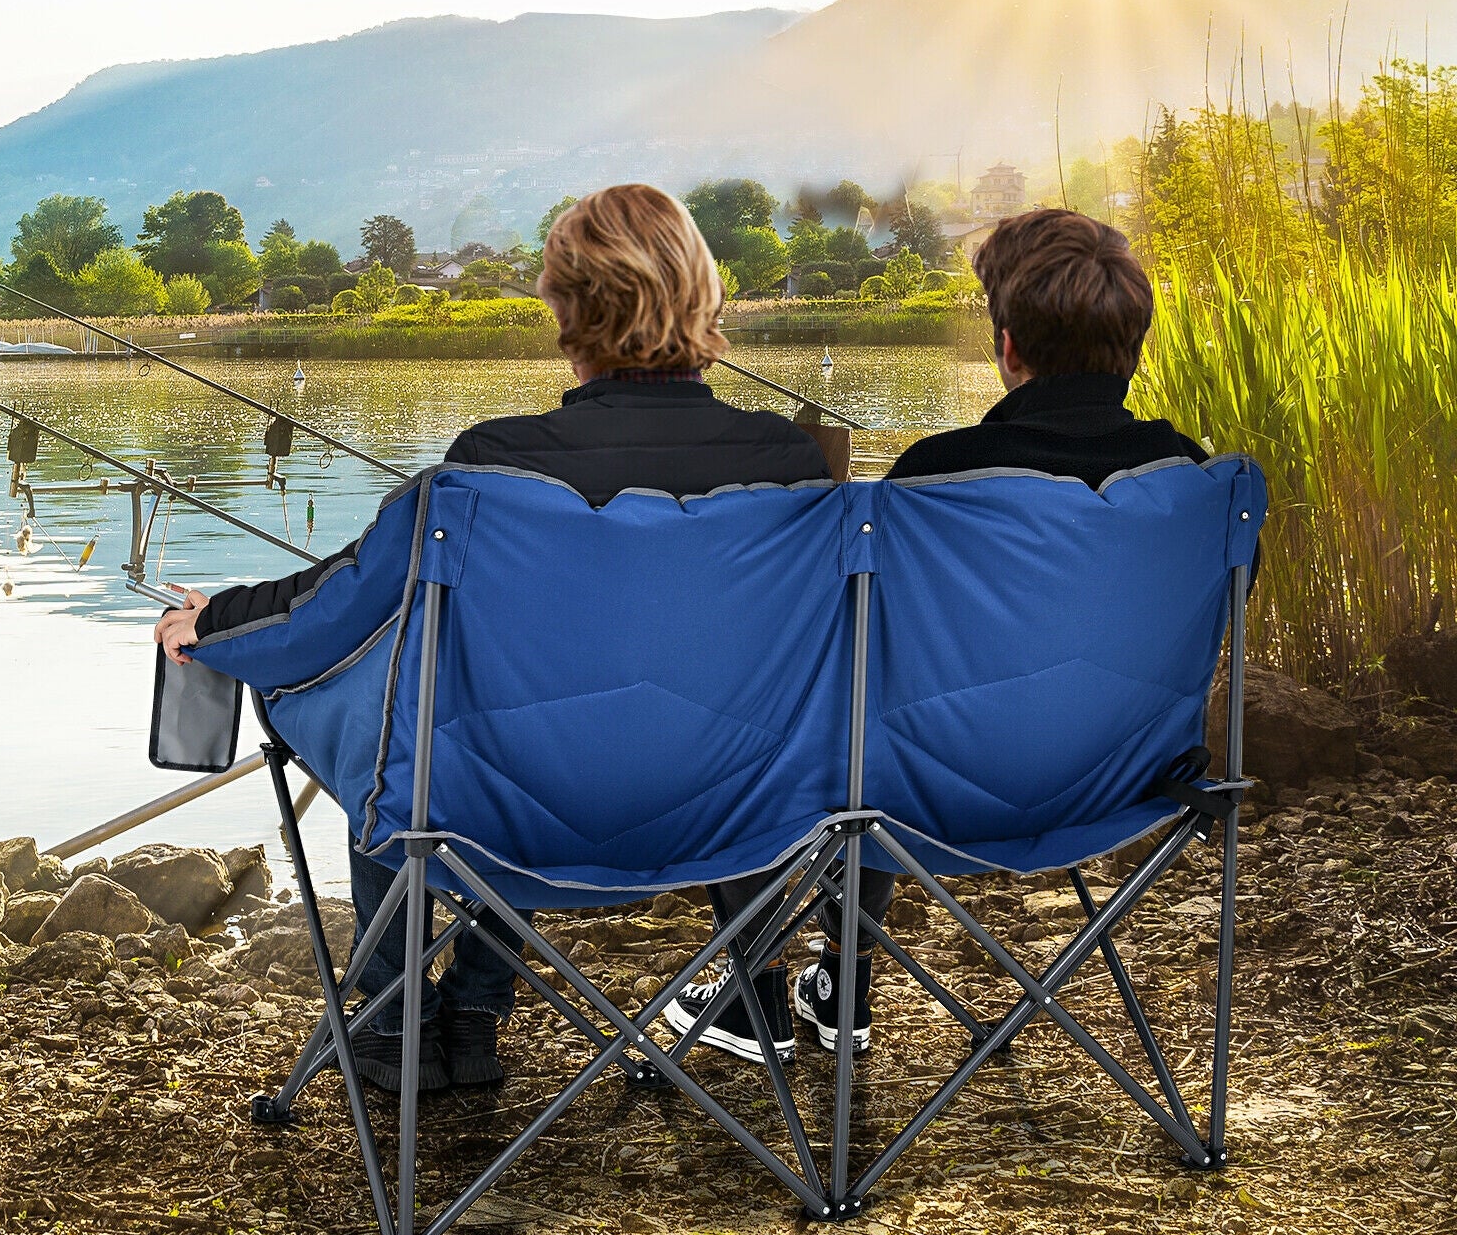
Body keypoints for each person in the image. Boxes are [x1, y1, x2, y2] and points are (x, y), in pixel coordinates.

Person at [155, 184, 830, 1093]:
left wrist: (216, 624)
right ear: (704, 297)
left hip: (509, 814)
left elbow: (335, 608)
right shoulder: (793, 470)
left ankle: (397, 1018)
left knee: (397, 721)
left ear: (562, 307)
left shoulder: (492, 467)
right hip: (742, 815)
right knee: (508, 726)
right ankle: (472, 1003)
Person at [782, 205, 1211, 1059]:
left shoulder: (930, 479)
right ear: (1134, 347)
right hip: (1120, 784)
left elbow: (848, 645)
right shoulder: (1197, 483)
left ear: (1007, 346)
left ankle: (839, 974)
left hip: (925, 797)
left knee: (854, 721)